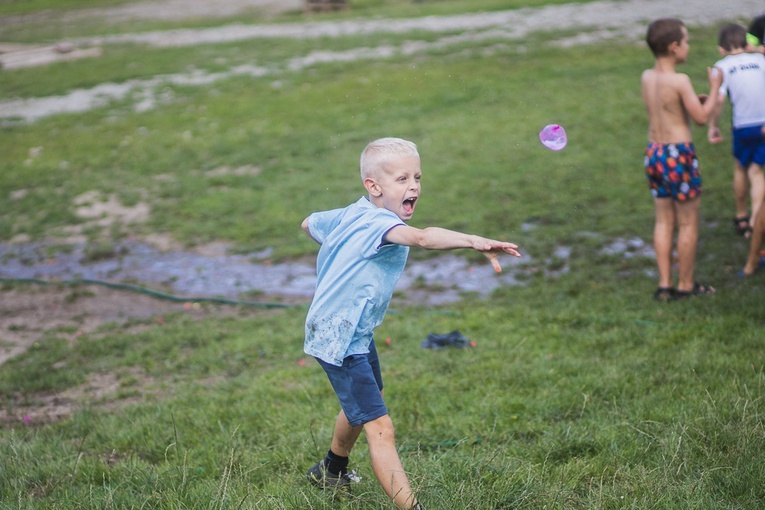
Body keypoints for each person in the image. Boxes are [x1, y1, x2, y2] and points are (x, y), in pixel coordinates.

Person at [301, 137, 521, 509]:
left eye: (417, 177)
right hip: (339, 338)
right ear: (373, 186)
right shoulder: (378, 224)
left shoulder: (350, 214)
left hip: (352, 330)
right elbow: (421, 238)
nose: (414, 186)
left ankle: (331, 468)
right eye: (402, 179)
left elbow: (309, 223)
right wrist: (472, 241)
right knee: (380, 428)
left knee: (369, 401)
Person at [641, 18, 723, 301]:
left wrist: (690, 102)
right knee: (687, 223)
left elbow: (666, 109)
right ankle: (686, 285)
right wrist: (714, 89)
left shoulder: (647, 77)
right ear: (674, 47)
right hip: (679, 155)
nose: (688, 46)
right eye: (686, 41)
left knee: (664, 221)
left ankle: (664, 285)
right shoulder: (680, 80)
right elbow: (701, 119)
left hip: (655, 153)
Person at [707, 23, 765, 239]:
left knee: (741, 168)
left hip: (743, 125)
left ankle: (742, 217)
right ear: (746, 43)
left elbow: (719, 100)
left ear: (721, 49)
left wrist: (713, 126)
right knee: (757, 171)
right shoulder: (761, 60)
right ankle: (756, 221)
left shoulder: (721, 66)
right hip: (763, 124)